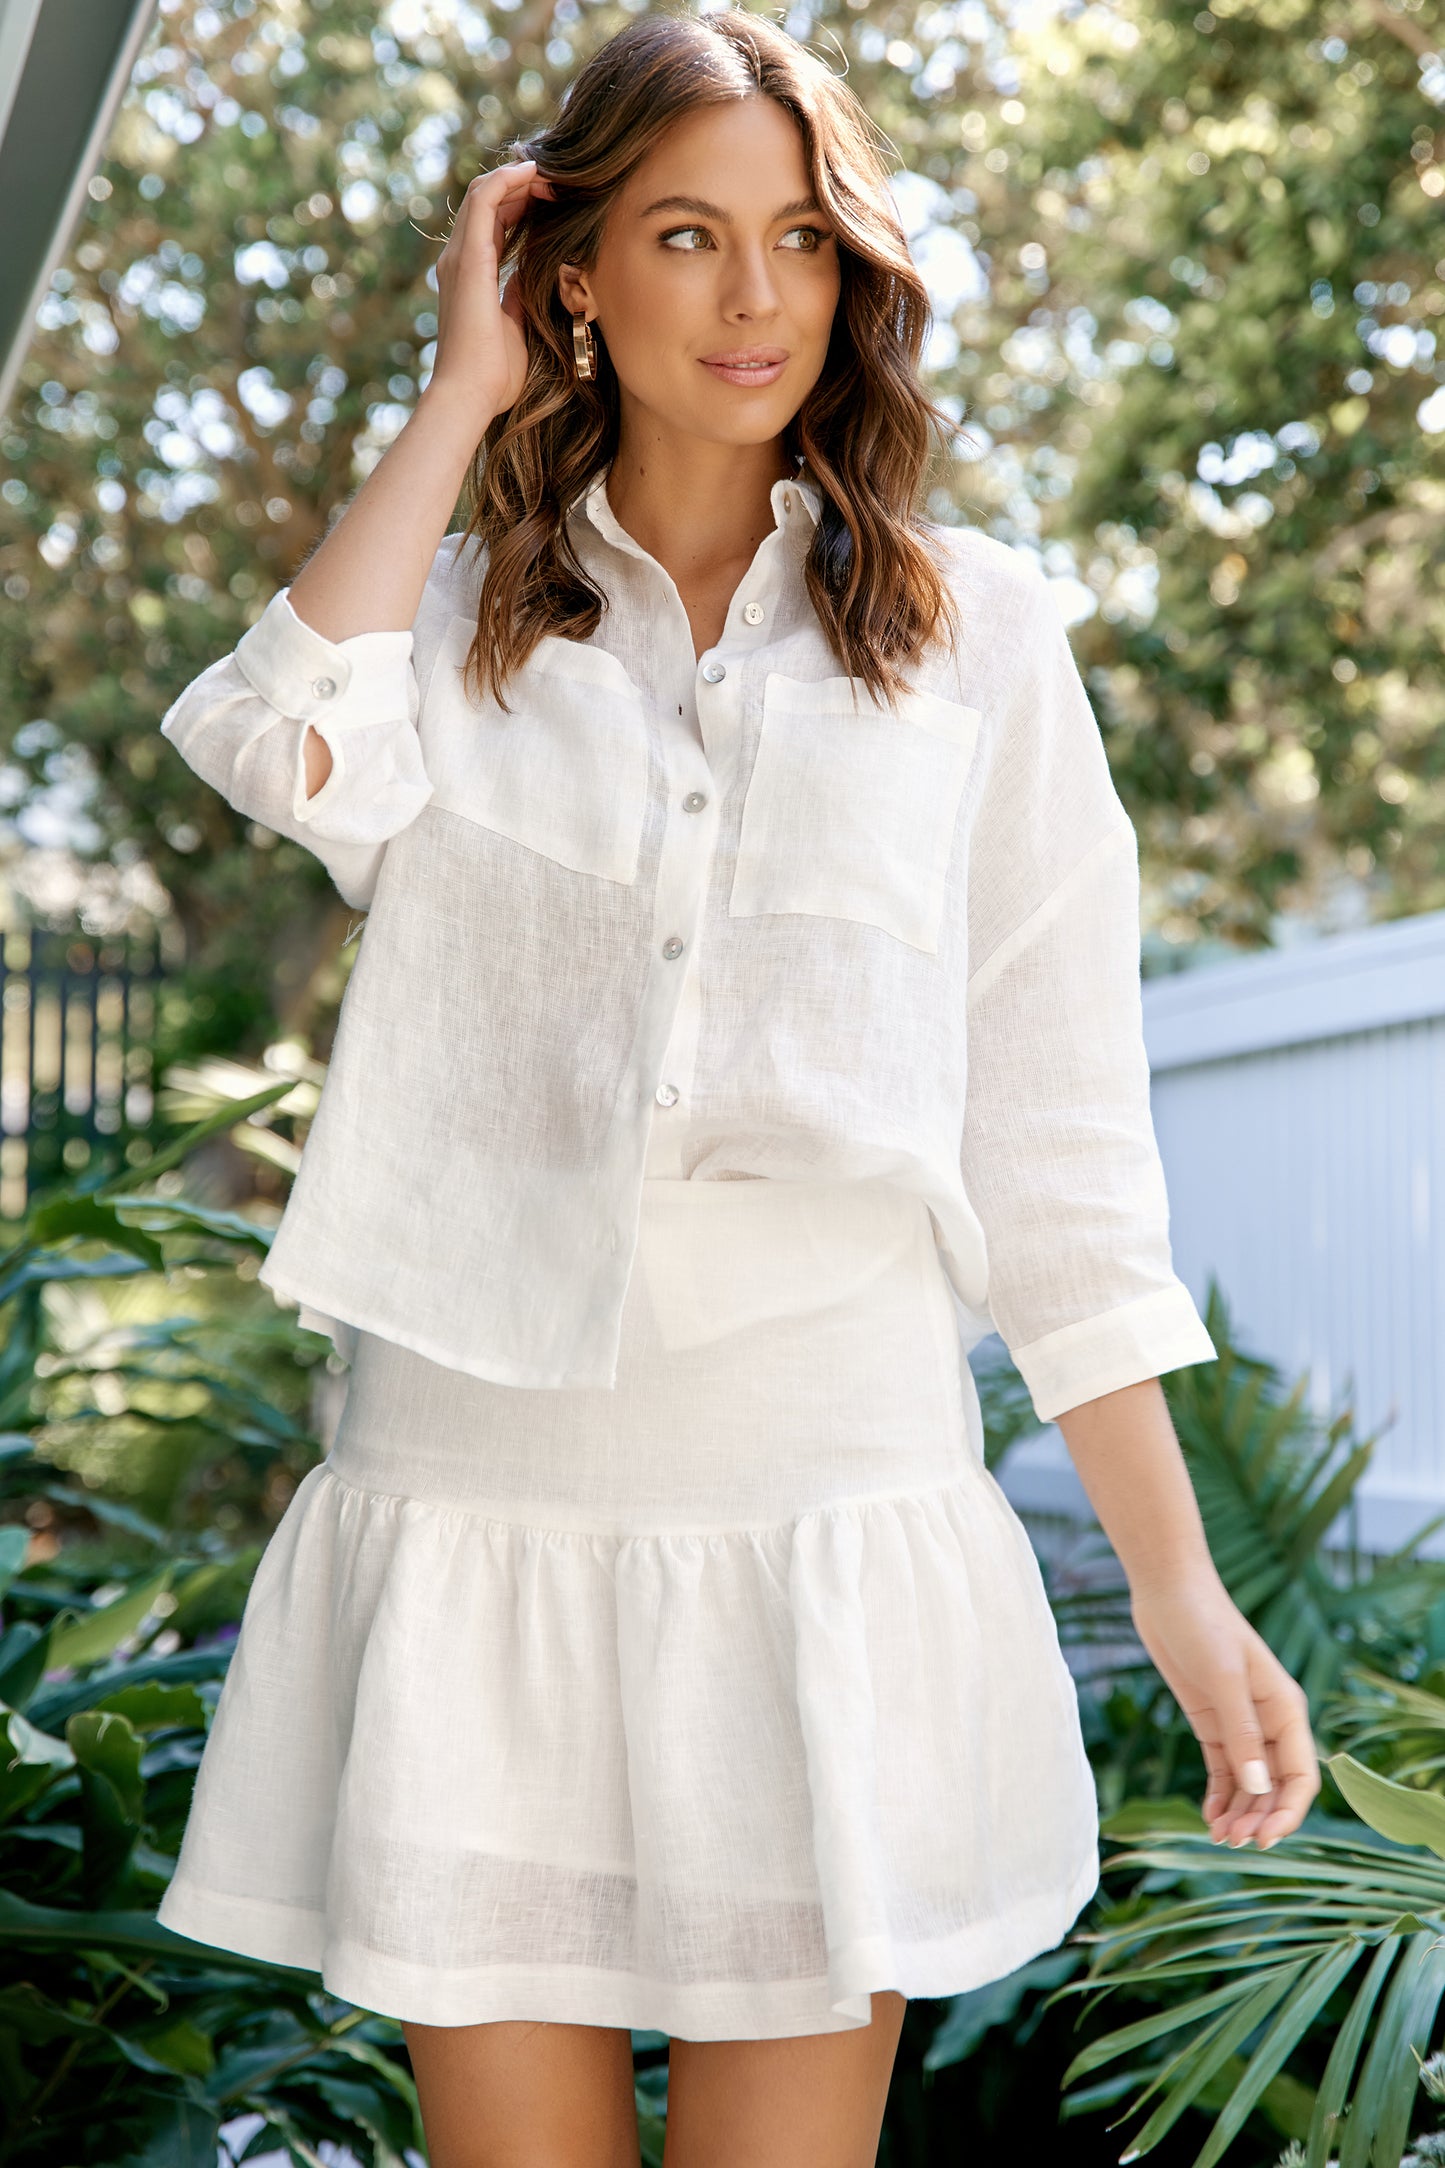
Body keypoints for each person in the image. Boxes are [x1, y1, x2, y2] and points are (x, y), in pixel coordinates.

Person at [153, 10, 1321, 2165]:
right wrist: (457, 395)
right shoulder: (449, 631)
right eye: (684, 234)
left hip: (823, 1537)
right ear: (568, 268)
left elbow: (1056, 1156)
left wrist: (1179, 1584)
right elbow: (266, 731)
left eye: (801, 236)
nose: (759, 295)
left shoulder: (981, 647)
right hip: (478, 1515)